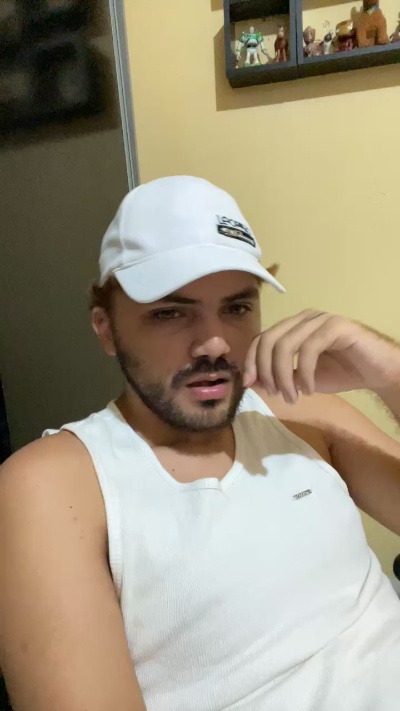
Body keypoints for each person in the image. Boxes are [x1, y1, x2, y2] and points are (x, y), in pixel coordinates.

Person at [0, 176, 400, 711]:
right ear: (106, 329)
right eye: (170, 312)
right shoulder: (58, 484)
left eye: (236, 308)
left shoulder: (297, 413)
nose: (214, 344)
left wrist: (389, 374)